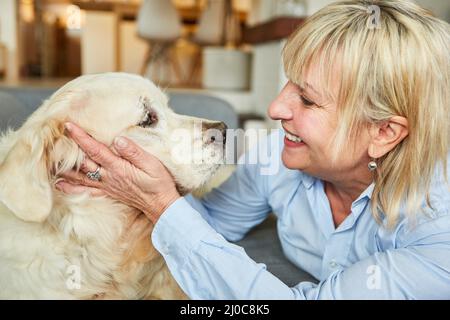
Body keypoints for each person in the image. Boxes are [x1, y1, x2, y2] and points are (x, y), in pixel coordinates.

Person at [56, 0, 450, 299]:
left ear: (384, 132)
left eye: (308, 101)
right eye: (289, 85)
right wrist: (137, 176)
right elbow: (210, 223)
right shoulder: (275, 153)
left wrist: (161, 205)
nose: (275, 108)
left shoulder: (438, 230)